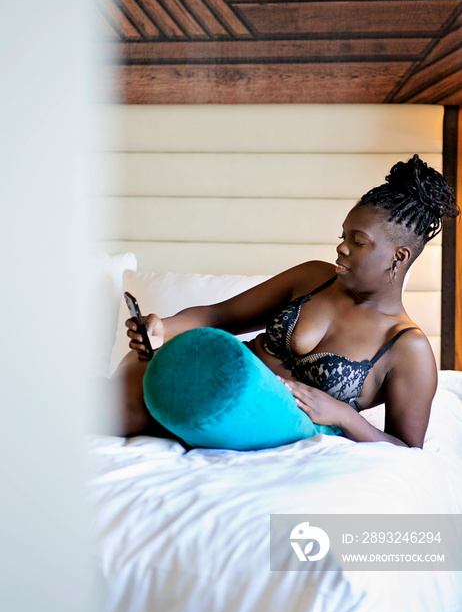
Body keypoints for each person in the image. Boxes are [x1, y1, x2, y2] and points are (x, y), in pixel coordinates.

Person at [112, 155, 459, 448]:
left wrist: (344, 417)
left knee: (128, 404)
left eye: (358, 241)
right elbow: (221, 314)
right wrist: (161, 327)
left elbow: (407, 450)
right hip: (219, 374)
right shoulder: (314, 277)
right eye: (343, 236)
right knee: (125, 391)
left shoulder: (407, 348)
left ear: (398, 257)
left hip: (264, 422)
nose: (341, 247)